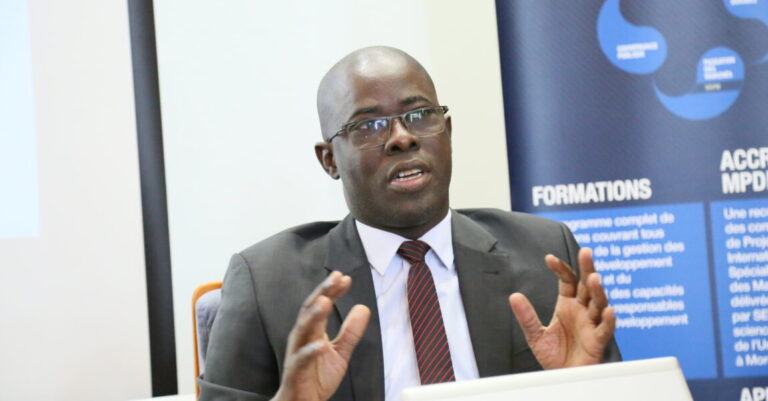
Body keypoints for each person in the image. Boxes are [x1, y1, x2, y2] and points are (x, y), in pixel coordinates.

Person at [199, 46, 621, 401]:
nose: (402, 137)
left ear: (447, 132)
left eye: (420, 115)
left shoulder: (544, 254)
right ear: (329, 160)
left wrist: (584, 389)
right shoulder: (267, 283)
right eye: (369, 125)